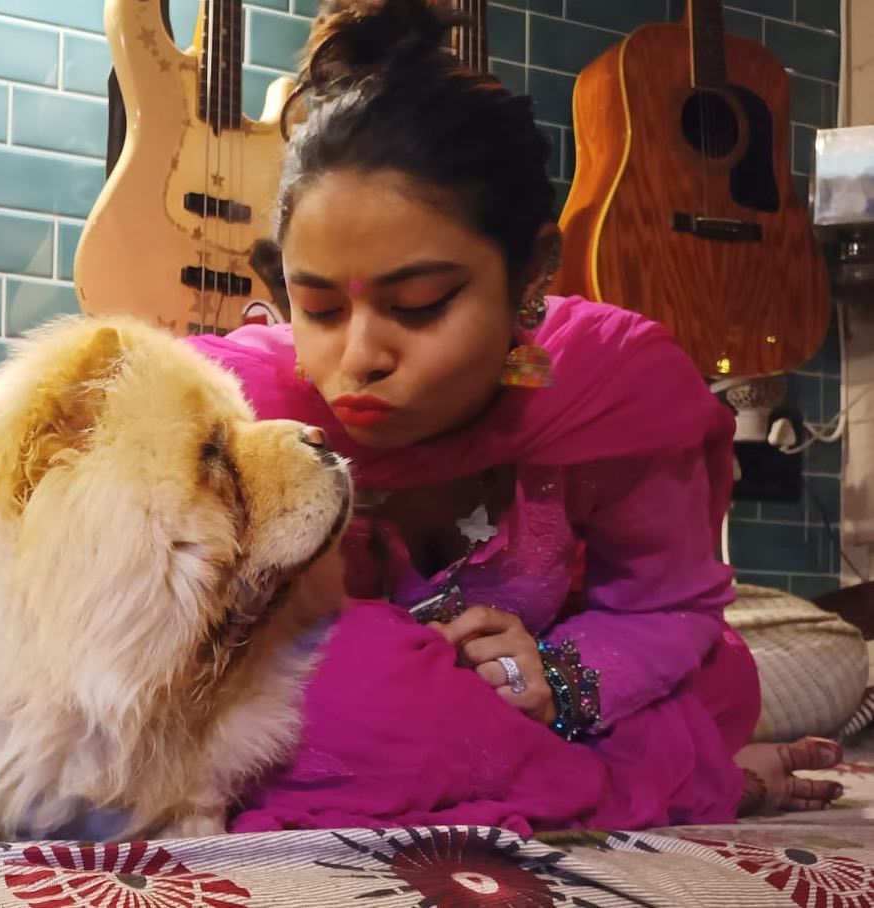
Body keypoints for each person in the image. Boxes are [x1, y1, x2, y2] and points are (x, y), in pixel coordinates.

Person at [188, 0, 843, 834]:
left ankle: (555, 762)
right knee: (344, 687)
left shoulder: (612, 388)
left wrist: (554, 681)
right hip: (323, 700)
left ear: (533, 269)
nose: (358, 356)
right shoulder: (233, 406)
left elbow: (664, 608)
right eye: (316, 308)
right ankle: (682, 779)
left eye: (419, 304)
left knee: (723, 674)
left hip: (517, 705)